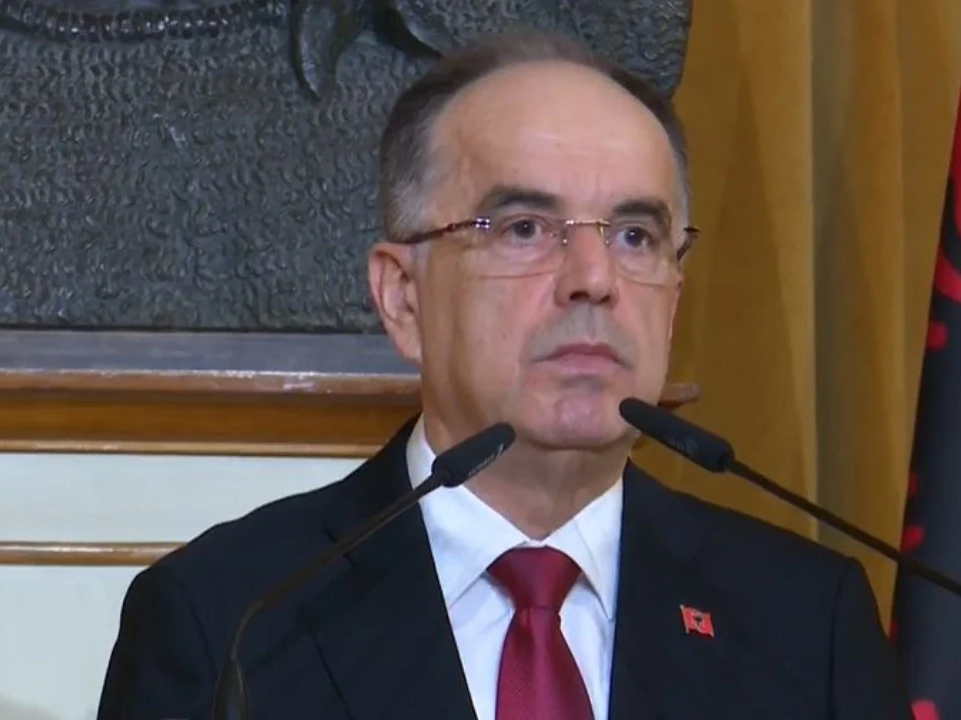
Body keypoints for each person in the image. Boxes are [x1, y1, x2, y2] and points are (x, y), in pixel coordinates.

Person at [96, 30, 914, 720]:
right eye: (524, 228)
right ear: (403, 297)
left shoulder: (805, 622)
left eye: (635, 236)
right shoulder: (230, 621)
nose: (593, 278)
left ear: (673, 300)